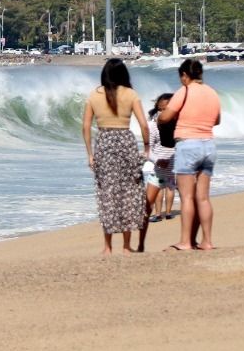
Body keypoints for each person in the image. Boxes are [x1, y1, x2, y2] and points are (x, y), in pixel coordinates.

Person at [81, 58, 150, 254]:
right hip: (126, 142)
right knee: (129, 192)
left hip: (104, 142)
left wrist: (90, 154)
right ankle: (127, 246)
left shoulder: (94, 95)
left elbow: (85, 126)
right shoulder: (130, 94)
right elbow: (144, 125)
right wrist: (146, 149)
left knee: (107, 194)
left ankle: (107, 246)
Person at [160, 59, 221, 251]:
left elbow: (166, 117)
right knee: (202, 197)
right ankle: (207, 241)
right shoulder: (212, 92)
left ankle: (186, 241)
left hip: (188, 145)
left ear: (185, 76)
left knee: (186, 197)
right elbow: (217, 120)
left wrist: (164, 117)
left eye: (181, 77)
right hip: (209, 145)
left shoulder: (184, 91)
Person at [136, 92, 176, 253]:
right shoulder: (175, 121)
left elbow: (149, 148)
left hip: (159, 159)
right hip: (173, 158)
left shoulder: (152, 124)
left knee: (159, 187)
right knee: (170, 187)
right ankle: (167, 213)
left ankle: (158, 214)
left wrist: (157, 160)